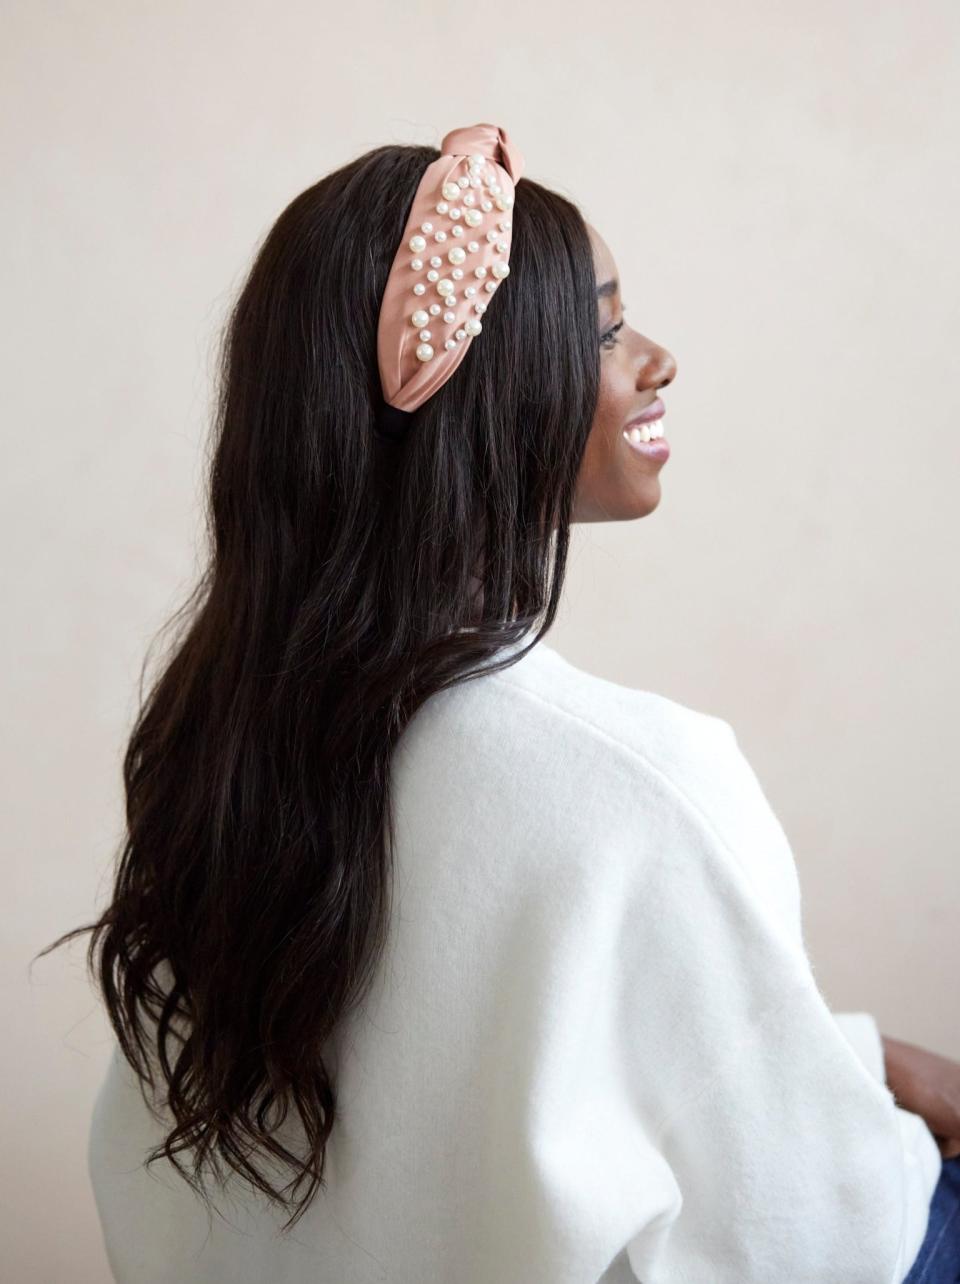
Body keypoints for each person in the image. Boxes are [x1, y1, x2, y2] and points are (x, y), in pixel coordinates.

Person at [46, 123, 959, 1282]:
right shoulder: (640, 789)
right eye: (608, 328)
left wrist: (855, 1058)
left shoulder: (214, 761)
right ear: (487, 393)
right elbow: (818, 1239)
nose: (656, 360)